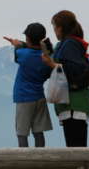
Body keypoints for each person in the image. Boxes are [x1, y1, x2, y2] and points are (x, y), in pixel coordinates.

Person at [41, 10, 89, 148]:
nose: (54, 31)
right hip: (75, 104)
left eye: (54, 27)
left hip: (73, 106)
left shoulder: (69, 44)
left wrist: (51, 64)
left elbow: (72, 70)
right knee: (77, 147)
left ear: (60, 28)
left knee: (75, 149)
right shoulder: (70, 43)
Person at [3, 23, 53, 153]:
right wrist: (22, 44)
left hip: (24, 97)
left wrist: (16, 45)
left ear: (28, 39)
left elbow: (18, 54)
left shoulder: (24, 54)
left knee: (22, 132)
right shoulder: (46, 57)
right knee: (38, 131)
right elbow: (31, 48)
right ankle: (41, 162)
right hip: (40, 97)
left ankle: (24, 166)